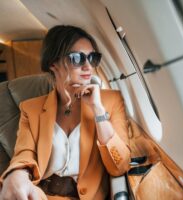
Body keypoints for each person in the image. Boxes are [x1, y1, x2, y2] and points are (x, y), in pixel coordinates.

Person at [0, 25, 131, 200]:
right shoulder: (30, 108)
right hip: (40, 195)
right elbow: (24, 153)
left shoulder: (111, 101)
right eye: (77, 58)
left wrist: (98, 110)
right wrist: (18, 174)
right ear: (53, 63)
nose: (87, 66)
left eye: (92, 58)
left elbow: (120, 166)